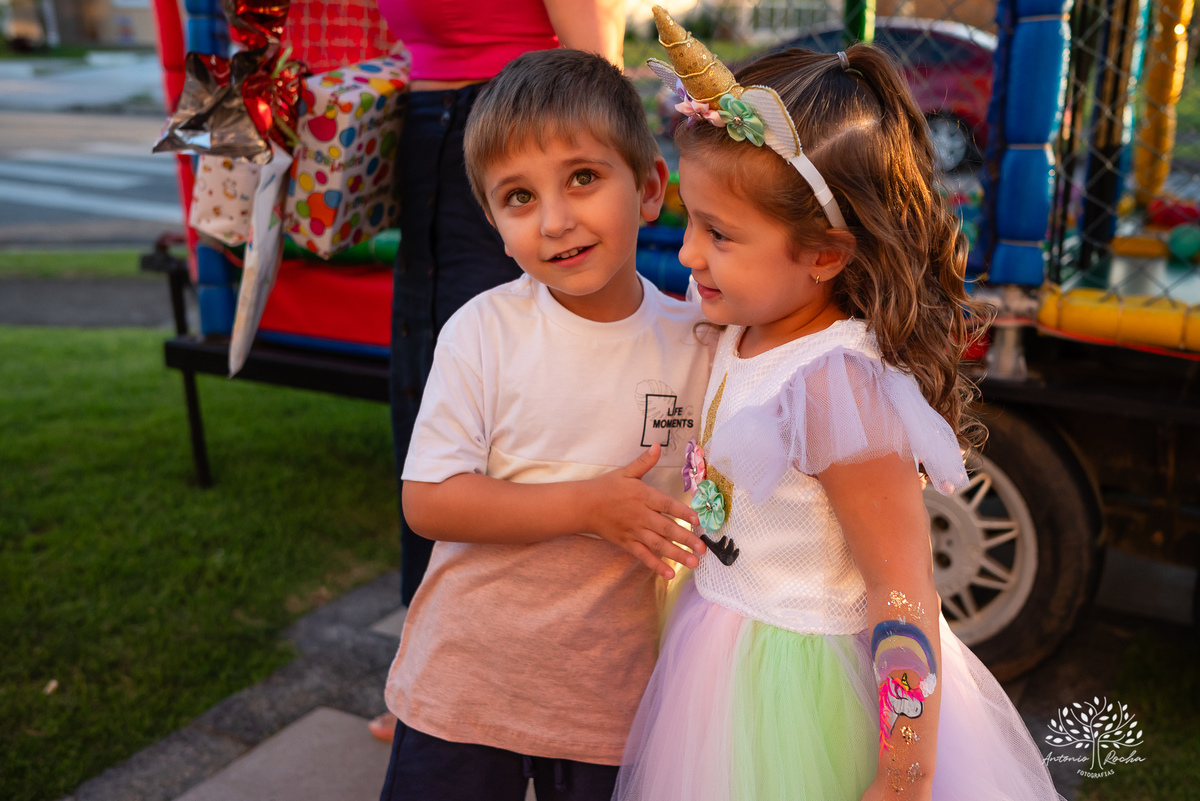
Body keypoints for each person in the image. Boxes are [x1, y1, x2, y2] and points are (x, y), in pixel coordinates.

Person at [613, 10, 1065, 801]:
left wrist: (905, 770)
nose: (687, 254)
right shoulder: (743, 325)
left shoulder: (832, 386)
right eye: (690, 222)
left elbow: (902, 587)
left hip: (802, 689)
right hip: (720, 643)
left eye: (719, 234)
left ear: (824, 254)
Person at [377, 48, 715, 801]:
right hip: (466, 690)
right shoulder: (482, 332)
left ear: (650, 187)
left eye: (583, 178)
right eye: (520, 197)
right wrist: (587, 506)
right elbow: (428, 500)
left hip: (613, 702)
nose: (556, 220)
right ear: (495, 226)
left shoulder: (698, 342)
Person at [370, 0, 625, 742]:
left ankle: (535, 664)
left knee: (521, 400)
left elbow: (595, 62)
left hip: (511, 132)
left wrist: (585, 175)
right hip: (429, 134)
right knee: (430, 403)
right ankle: (434, 653)